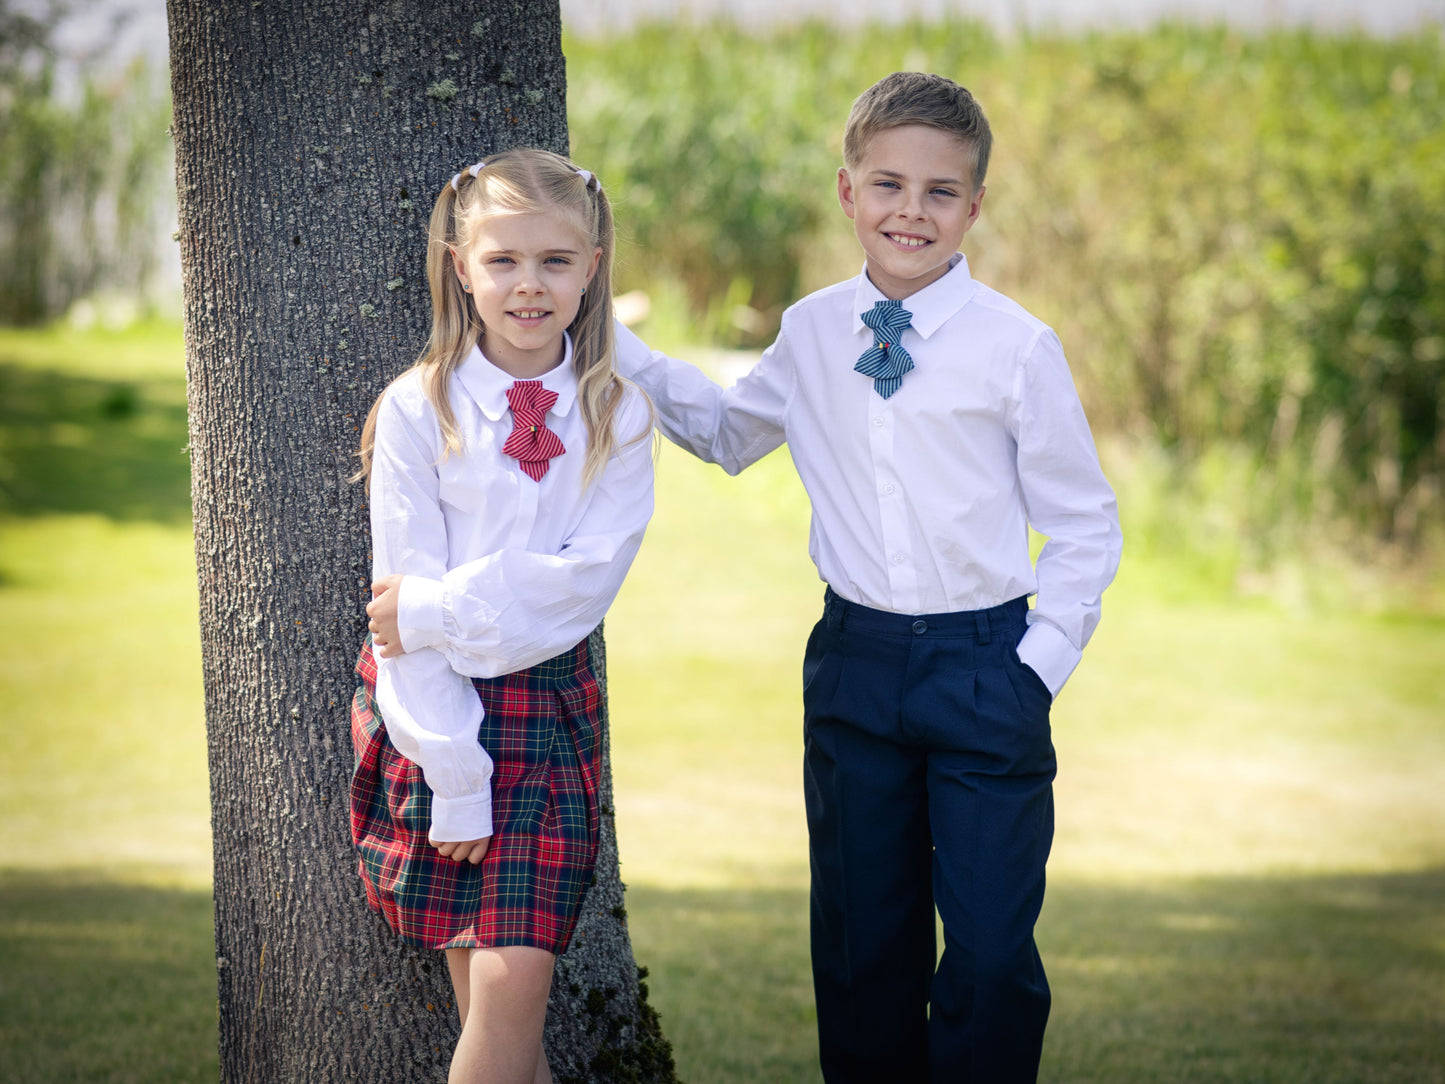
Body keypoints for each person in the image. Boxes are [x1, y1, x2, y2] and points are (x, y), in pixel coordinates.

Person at [615, 72, 1122, 1082]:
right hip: (853, 665)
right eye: (886, 183)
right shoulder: (809, 332)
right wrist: (604, 340)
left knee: (986, 954)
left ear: (973, 206)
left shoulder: (1014, 348)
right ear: (847, 191)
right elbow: (723, 433)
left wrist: (1032, 672)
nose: (910, 210)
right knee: (859, 949)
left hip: (986, 669)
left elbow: (1081, 523)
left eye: (940, 192)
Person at [349, 148, 654, 1084]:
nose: (530, 285)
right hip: (433, 722)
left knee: (511, 991)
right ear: (460, 265)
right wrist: (456, 773)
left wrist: (437, 606)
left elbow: (576, 590)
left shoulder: (618, 416)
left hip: (551, 716)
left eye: (555, 262)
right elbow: (399, 622)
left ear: (592, 267)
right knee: (501, 1026)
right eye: (503, 261)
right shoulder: (416, 409)